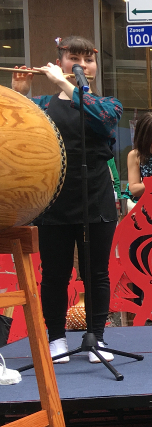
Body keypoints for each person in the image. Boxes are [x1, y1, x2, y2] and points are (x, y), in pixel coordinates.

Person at [11, 36, 123, 363]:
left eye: (87, 60)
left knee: (96, 274)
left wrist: (66, 83)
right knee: (55, 274)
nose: (81, 65)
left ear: (95, 66)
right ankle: (56, 338)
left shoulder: (108, 104)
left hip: (97, 197)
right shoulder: (43, 104)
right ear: (59, 61)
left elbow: (101, 119)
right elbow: (18, 130)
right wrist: (19, 93)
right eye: (73, 58)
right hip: (54, 198)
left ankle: (97, 337)